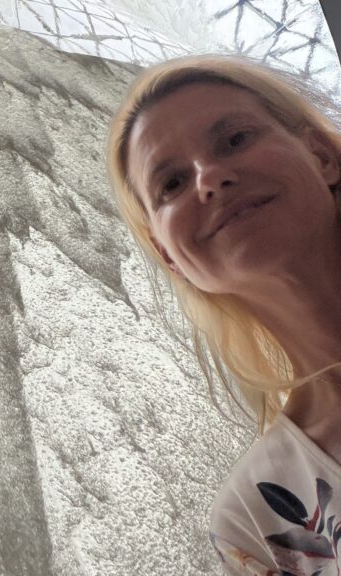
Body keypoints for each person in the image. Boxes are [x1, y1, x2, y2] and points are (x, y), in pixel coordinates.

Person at [107, 55, 341, 575]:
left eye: (235, 139)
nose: (208, 177)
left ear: (322, 156)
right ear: (171, 258)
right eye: (171, 184)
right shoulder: (255, 520)